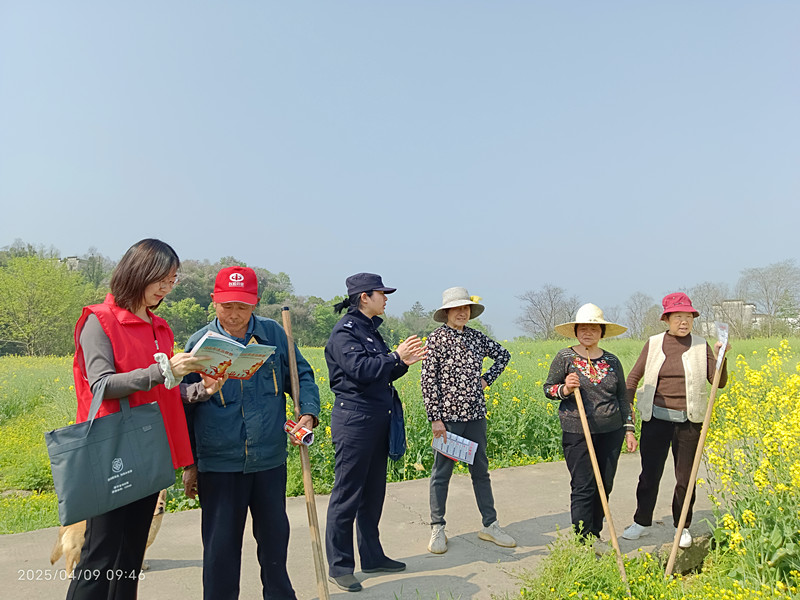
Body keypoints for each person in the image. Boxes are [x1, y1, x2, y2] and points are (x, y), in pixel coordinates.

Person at [67, 238, 218, 600]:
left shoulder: (158, 326)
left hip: (150, 447)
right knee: (100, 556)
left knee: (132, 554)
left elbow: (159, 392)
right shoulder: (98, 321)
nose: (167, 288)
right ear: (138, 274)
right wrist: (163, 368)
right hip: (113, 450)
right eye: (162, 280)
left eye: (173, 280)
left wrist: (201, 390)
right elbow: (102, 385)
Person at [182, 266, 320, 600]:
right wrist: (189, 463)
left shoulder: (274, 334)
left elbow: (301, 377)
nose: (233, 314)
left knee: (275, 541)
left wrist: (309, 414)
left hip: (269, 459)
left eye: (242, 306)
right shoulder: (199, 344)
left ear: (255, 302)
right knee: (220, 550)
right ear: (214, 301)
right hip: (219, 462)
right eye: (226, 305)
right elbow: (183, 406)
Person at [324, 273, 426, 593]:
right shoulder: (345, 333)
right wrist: (394, 356)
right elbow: (362, 371)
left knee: (373, 493)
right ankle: (340, 565)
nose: (386, 298)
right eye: (382, 293)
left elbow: (383, 371)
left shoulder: (370, 330)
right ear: (364, 297)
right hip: (355, 421)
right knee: (348, 494)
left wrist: (402, 361)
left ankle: (372, 556)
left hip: (377, 418)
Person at [622, 292, 729, 549]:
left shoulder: (701, 345)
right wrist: (628, 415)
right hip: (656, 420)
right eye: (678, 316)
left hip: (689, 423)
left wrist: (721, 356)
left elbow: (718, 382)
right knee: (649, 475)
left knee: (685, 479)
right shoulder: (654, 343)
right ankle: (642, 522)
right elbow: (632, 380)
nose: (684, 321)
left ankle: (682, 526)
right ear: (667, 319)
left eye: (688, 317)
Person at [421, 287, 515, 554]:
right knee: (442, 473)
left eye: (466, 309)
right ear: (447, 312)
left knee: (480, 472)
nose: (462, 313)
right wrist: (435, 419)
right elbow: (428, 382)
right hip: (448, 420)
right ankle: (437, 527)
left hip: (475, 415)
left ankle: (490, 524)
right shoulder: (436, 340)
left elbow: (503, 355)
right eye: (457, 309)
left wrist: (487, 378)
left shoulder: (476, 338)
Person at [543, 303, 636, 542]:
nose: (588, 332)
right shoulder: (565, 357)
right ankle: (583, 539)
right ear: (575, 331)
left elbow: (622, 398)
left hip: (611, 431)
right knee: (583, 485)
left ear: (602, 333)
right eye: (583, 328)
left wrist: (629, 430)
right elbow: (548, 389)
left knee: (604, 485)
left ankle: (596, 532)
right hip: (577, 431)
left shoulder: (612, 360)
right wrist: (565, 388)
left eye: (594, 329)